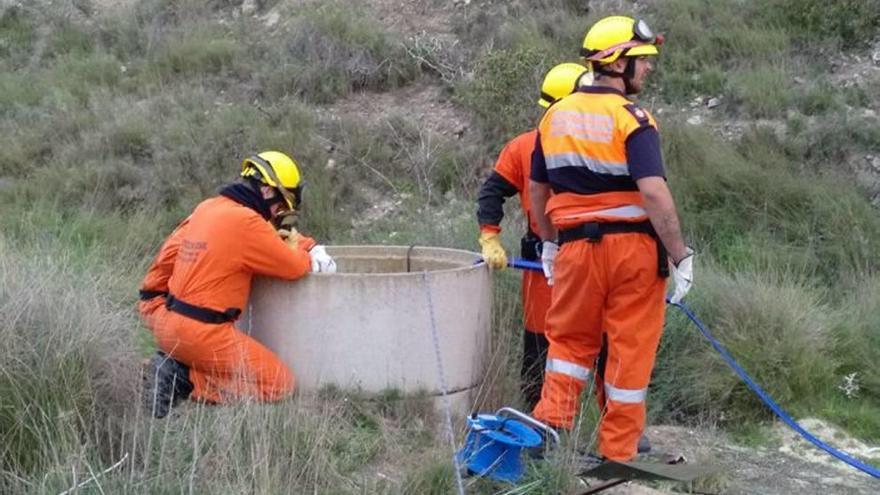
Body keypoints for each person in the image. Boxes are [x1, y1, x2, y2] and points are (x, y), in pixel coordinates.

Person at [529, 16, 695, 462]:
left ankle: (550, 438)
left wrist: (548, 243)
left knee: (567, 345)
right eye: (641, 61)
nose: (648, 69)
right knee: (629, 352)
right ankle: (619, 454)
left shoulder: (554, 117)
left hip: (575, 250)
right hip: (633, 254)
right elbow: (654, 191)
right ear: (617, 63)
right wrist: (680, 255)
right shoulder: (634, 119)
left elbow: (538, 191)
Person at [138, 151, 337, 418]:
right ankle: (183, 380)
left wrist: (153, 309)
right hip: (203, 334)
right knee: (278, 383)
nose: (281, 213)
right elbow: (294, 267)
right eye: (282, 204)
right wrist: (311, 255)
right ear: (267, 191)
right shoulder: (247, 223)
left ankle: (160, 367)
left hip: (167, 321)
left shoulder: (208, 208)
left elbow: (164, 262)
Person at [476, 62, 591, 409]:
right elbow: (492, 192)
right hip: (544, 263)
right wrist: (489, 236)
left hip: (594, 254)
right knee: (540, 345)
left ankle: (604, 423)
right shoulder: (524, 148)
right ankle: (538, 418)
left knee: (600, 338)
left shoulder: (602, 145)